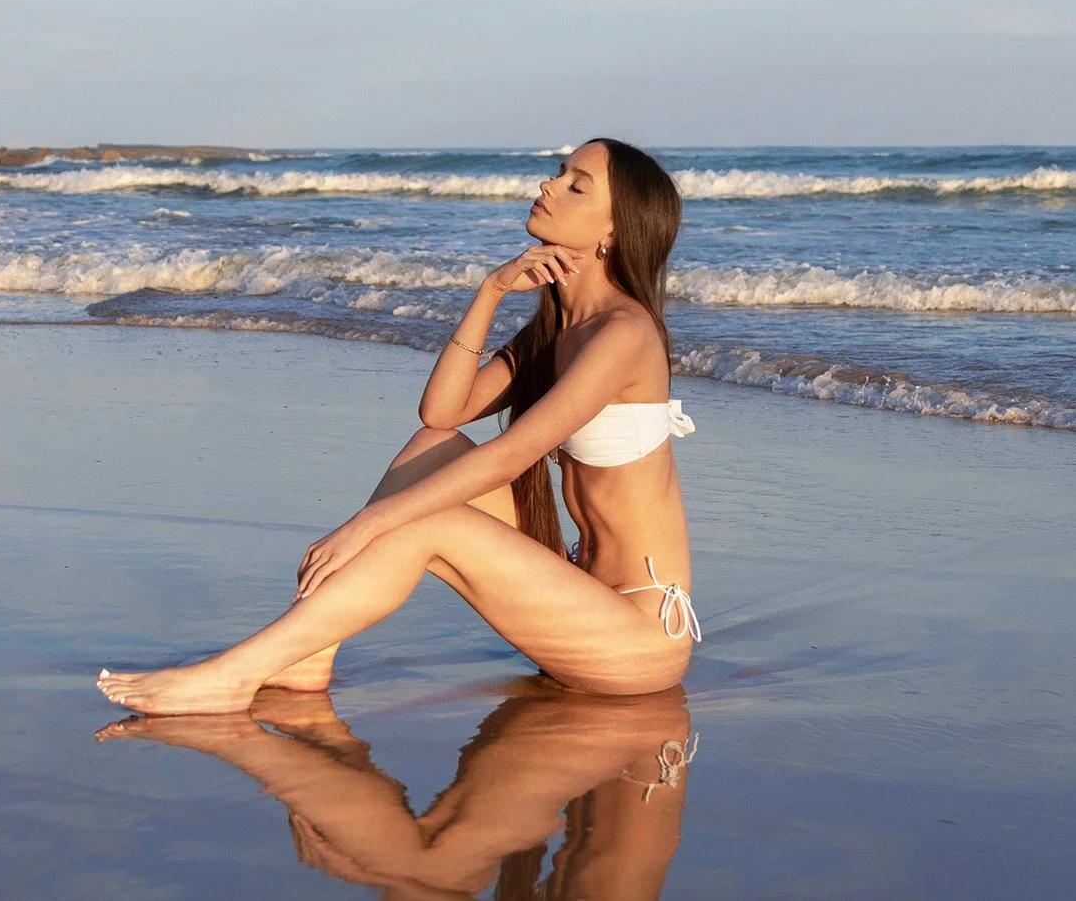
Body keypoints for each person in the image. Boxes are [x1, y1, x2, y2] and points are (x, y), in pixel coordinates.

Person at [97, 138, 698, 715]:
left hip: (635, 639)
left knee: (424, 520)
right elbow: (441, 414)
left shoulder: (624, 334)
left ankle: (235, 674)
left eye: (576, 184)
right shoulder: (559, 332)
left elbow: (510, 457)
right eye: (558, 172)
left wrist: (365, 526)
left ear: (614, 231)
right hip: (577, 594)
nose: (548, 184)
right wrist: (490, 291)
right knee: (434, 449)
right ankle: (309, 652)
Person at [95, 683, 696, 898]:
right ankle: (272, 707)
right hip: (620, 738)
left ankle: (272, 734)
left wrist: (370, 867)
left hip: (621, 696)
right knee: (438, 455)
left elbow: (458, 880)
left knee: (416, 859)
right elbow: (443, 416)